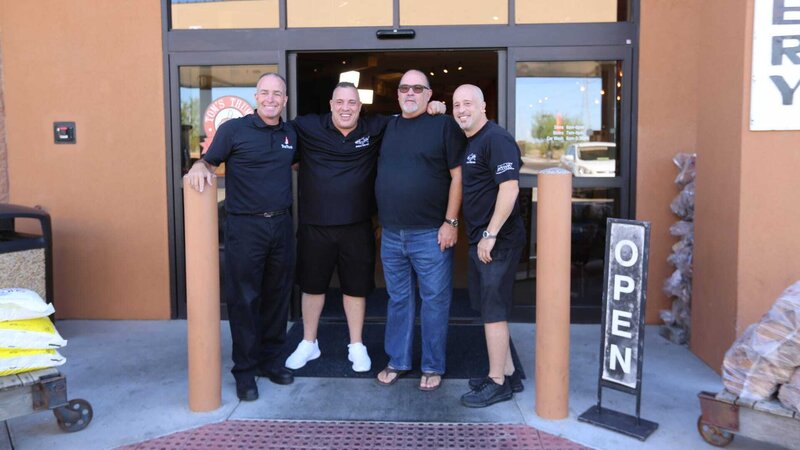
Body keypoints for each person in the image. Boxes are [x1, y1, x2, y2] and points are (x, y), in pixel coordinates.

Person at [285, 82, 447, 373]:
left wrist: (435, 107)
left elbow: (410, 115)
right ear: (331, 104)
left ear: (360, 107)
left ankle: (356, 345)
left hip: (358, 226)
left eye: (352, 103)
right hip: (315, 225)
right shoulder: (307, 127)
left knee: (355, 288)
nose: (346, 108)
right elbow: (282, 151)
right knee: (312, 286)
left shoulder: (376, 127)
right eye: (340, 102)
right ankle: (309, 343)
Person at [186, 72, 296, 402]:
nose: (272, 99)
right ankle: (245, 372)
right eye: (265, 93)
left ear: (285, 100)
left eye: (278, 94)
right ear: (256, 97)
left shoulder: (291, 134)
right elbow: (208, 161)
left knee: (277, 298)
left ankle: (271, 362)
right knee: (245, 300)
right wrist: (198, 167)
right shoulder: (233, 130)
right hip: (245, 229)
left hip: (281, 225)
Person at [374, 70, 466, 391]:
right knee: (398, 299)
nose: (410, 93)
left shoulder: (443, 125)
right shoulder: (386, 127)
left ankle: (432, 365)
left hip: (431, 234)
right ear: (397, 94)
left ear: (429, 94)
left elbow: (458, 176)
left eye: (417, 88)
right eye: (404, 88)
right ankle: (398, 361)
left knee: (434, 301)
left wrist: (451, 221)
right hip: (392, 233)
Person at [451, 84, 526, 407]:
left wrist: (491, 233)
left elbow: (509, 188)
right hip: (484, 238)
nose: (461, 109)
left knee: (494, 310)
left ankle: (497, 383)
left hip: (498, 240)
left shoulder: (496, 139)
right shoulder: (474, 141)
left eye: (468, 103)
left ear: (483, 107)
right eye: (456, 104)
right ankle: (507, 372)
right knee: (487, 307)